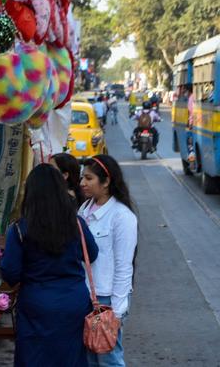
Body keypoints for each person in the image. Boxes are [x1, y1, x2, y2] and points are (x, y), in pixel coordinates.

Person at [1, 164, 98, 367]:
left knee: (34, 357)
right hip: (74, 302)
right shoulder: (77, 223)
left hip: (36, 304)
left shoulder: (20, 228)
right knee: (71, 358)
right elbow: (93, 253)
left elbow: (10, 272)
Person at [78, 155, 138, 367]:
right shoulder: (83, 210)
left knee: (109, 359)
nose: (82, 183)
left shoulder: (122, 216)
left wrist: (118, 311)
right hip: (85, 295)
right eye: (82, 178)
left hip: (107, 300)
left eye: (89, 178)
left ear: (106, 181)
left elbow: (124, 266)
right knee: (90, 359)